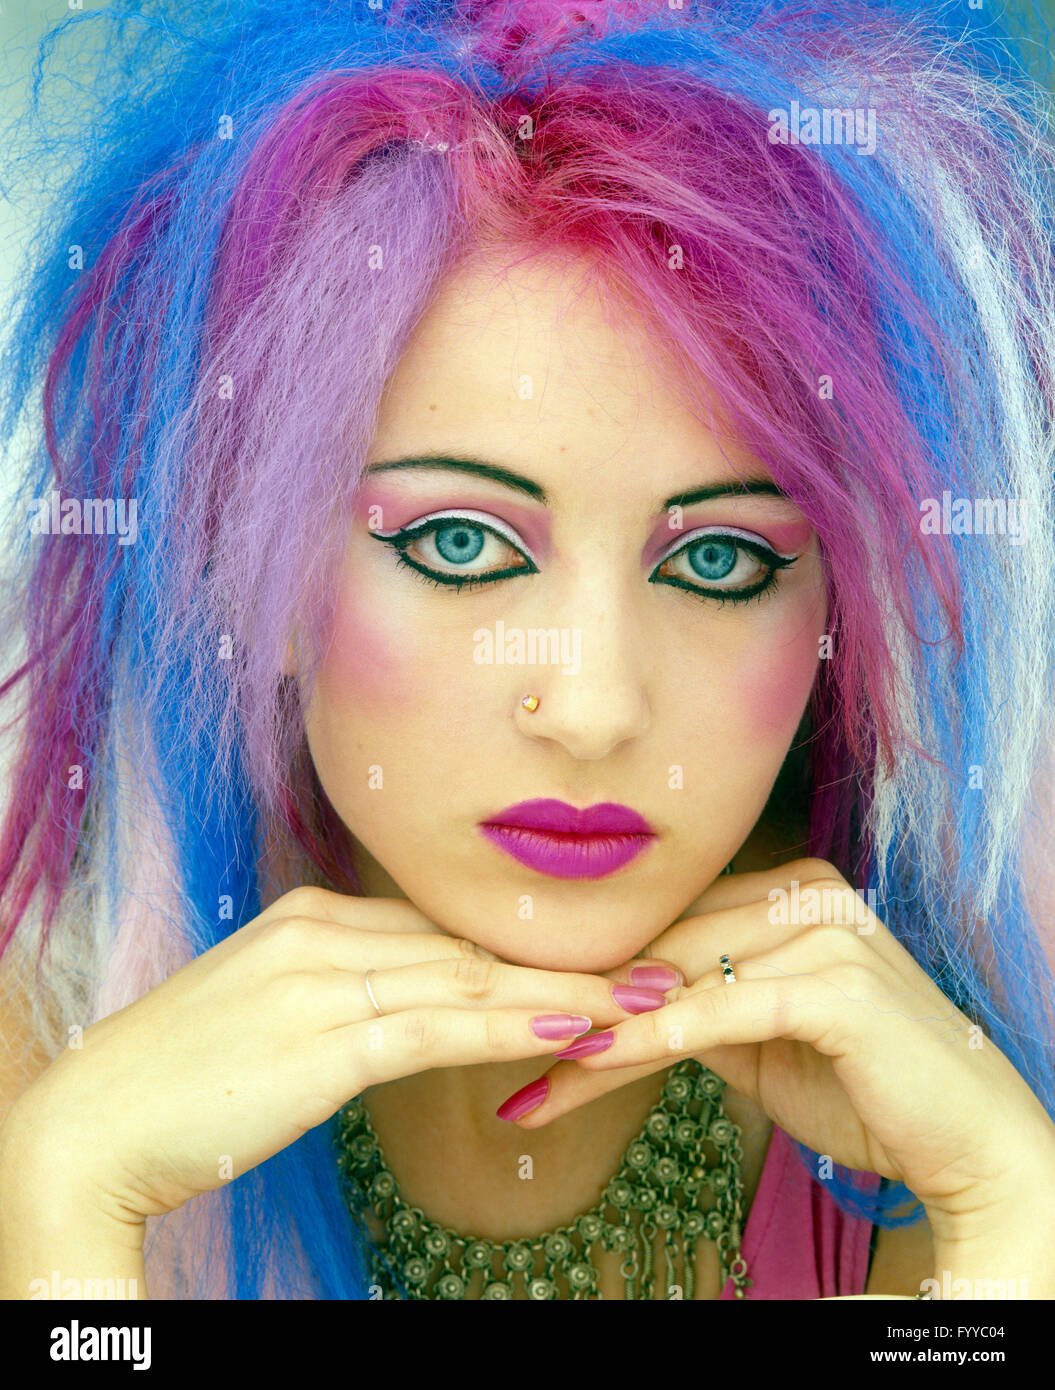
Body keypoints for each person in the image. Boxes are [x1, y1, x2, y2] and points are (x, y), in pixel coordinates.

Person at [0, 0, 1053, 1302]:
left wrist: (1014, 1227)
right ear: (247, 562)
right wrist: (67, 1210)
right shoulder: (39, 1053)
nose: (594, 707)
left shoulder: (939, 1100)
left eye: (719, 561)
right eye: (458, 545)